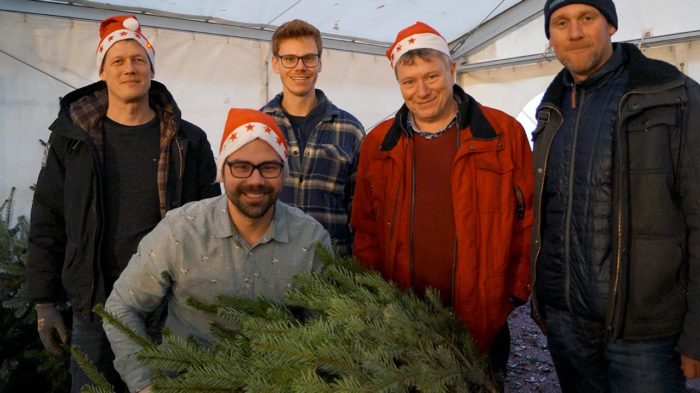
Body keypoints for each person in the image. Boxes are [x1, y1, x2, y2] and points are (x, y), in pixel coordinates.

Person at [26, 14, 220, 392]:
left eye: (138, 60)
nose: (129, 68)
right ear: (103, 71)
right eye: (118, 60)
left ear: (151, 69)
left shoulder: (187, 140)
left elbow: (210, 222)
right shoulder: (72, 140)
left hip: (168, 304)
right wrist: (44, 302)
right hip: (94, 304)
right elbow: (47, 217)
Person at [350, 21, 534, 388]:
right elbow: (366, 227)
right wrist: (375, 294)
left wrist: (512, 293)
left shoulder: (502, 134)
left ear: (452, 70)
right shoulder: (378, 144)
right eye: (409, 81)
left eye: (431, 76)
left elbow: (529, 220)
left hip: (482, 314)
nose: (421, 91)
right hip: (405, 315)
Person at [531, 0, 700, 391]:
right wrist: (545, 299)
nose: (574, 33)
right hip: (569, 324)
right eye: (561, 22)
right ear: (550, 37)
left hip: (645, 333)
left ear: (610, 25)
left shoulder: (671, 95)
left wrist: (696, 332)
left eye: (586, 18)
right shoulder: (551, 105)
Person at [103, 108, 331, 393]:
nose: (256, 180)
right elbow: (122, 306)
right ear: (222, 171)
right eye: (241, 166)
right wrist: (145, 383)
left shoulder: (310, 239)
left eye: (269, 167)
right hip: (187, 384)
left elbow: (326, 328)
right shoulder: (181, 231)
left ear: (283, 172)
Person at [261, 19, 365, 255]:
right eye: (289, 59)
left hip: (332, 267)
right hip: (270, 261)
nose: (300, 67)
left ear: (320, 63)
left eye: (309, 58)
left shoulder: (350, 129)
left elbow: (361, 209)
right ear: (276, 64)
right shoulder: (259, 126)